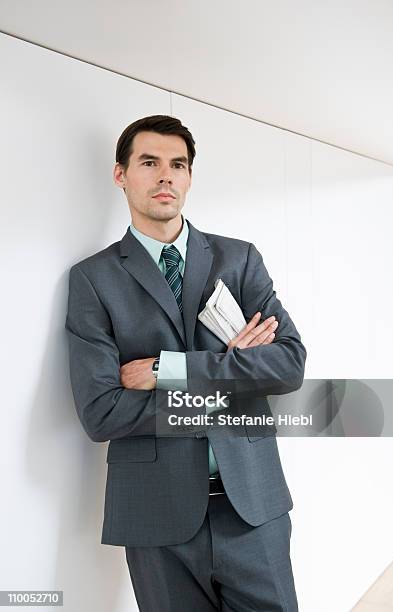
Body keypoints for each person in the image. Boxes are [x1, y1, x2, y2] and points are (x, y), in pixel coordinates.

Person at [65, 114, 306, 611]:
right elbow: (101, 413)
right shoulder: (93, 279)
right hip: (156, 518)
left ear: (190, 176)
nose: (165, 176)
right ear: (121, 174)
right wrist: (233, 379)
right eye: (149, 162)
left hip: (253, 508)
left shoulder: (238, 261)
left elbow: (288, 365)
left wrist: (167, 371)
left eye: (178, 164)